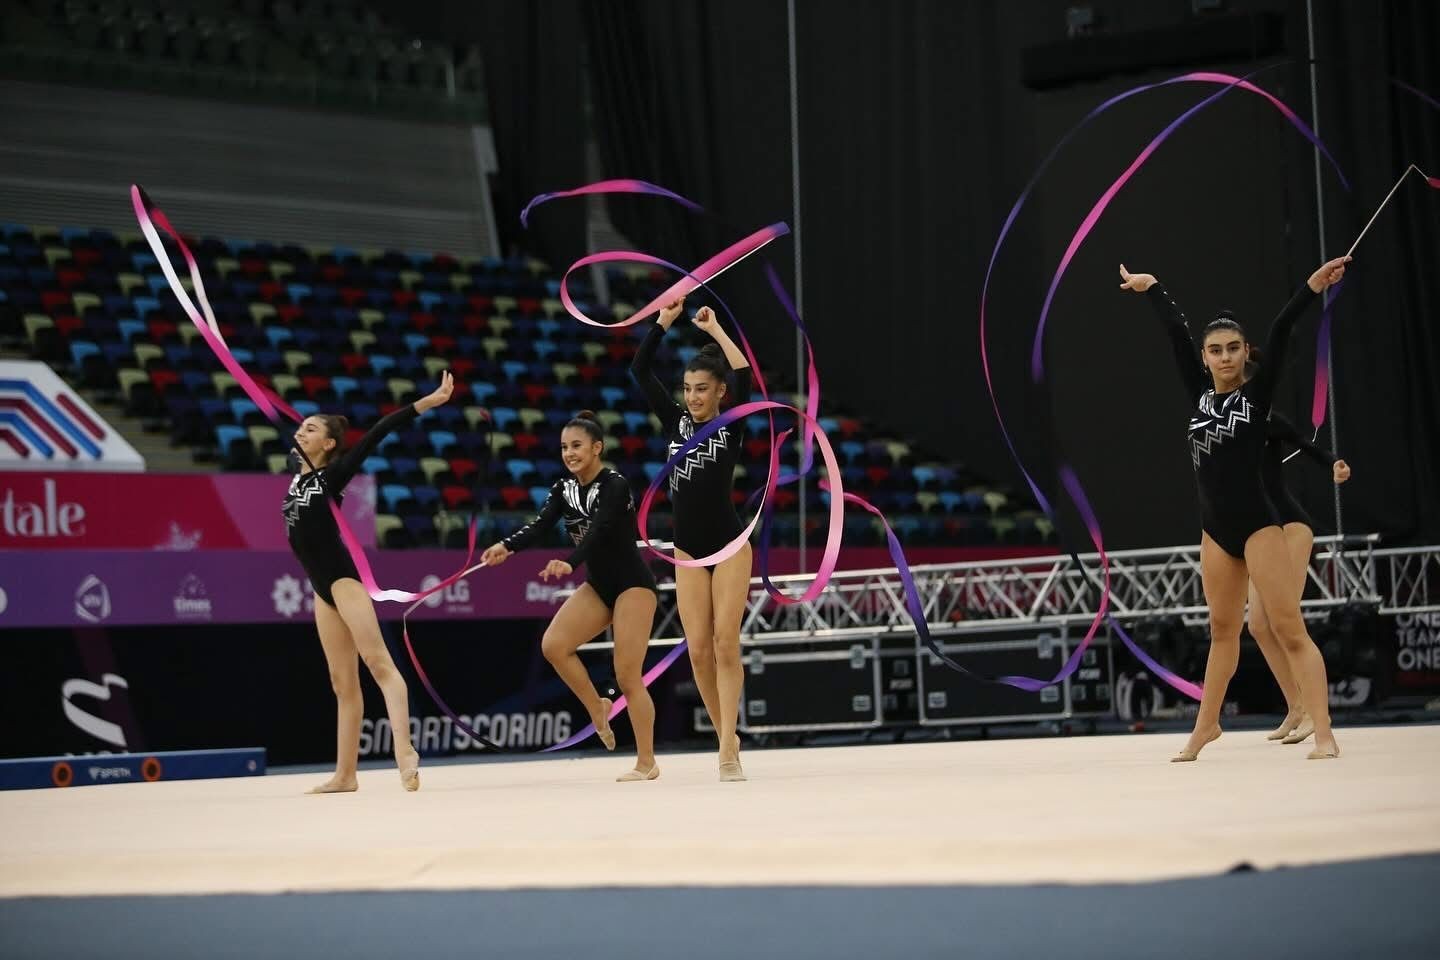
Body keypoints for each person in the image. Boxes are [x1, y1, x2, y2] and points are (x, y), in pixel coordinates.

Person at [1118, 257, 1349, 761]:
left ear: (1246, 354)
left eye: (1233, 349)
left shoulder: (1257, 400)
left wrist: (1314, 285)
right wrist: (1153, 286)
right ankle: (1206, 728)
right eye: (1216, 351)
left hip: (1258, 527)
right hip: (1214, 530)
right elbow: (1176, 334)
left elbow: (1283, 326)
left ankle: (1325, 729)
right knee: (1222, 632)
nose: (1225, 358)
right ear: (1205, 358)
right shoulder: (1198, 396)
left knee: (1287, 627)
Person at [286, 371, 455, 793]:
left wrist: (428, 402)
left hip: (343, 580)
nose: (300, 431)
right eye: (300, 426)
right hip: (320, 590)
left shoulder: (333, 475)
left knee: (378, 664)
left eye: (311, 429)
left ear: (328, 444)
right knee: (342, 682)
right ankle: (345, 776)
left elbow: (379, 431)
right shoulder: (296, 475)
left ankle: (405, 752)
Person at [481, 412, 661, 781]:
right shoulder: (563, 489)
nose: (569, 453)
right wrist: (505, 546)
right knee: (554, 645)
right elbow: (540, 524)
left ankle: (647, 762)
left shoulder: (615, 484)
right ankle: (597, 707)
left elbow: (600, 530)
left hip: (633, 585)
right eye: (564, 447)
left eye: (577, 446)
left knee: (627, 674)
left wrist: (570, 562)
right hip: (599, 586)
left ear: (597, 448)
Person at [630, 298, 754, 781]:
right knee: (698, 649)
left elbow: (743, 371)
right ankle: (728, 734)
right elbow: (640, 370)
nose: (693, 397)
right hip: (686, 552)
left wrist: (716, 327)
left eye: (703, 389)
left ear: (720, 392)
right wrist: (661, 322)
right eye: (688, 389)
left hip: (727, 546)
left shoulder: (730, 424)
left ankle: (727, 750)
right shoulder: (676, 424)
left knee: (726, 643)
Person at [1251, 411, 1351, 743]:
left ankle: (1314, 712)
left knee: (1285, 620)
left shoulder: (1265, 418)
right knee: (1258, 625)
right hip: (1258, 531)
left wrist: (1335, 462)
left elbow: (1307, 446)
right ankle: (1295, 707)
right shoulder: (1218, 423)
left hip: (1290, 526)